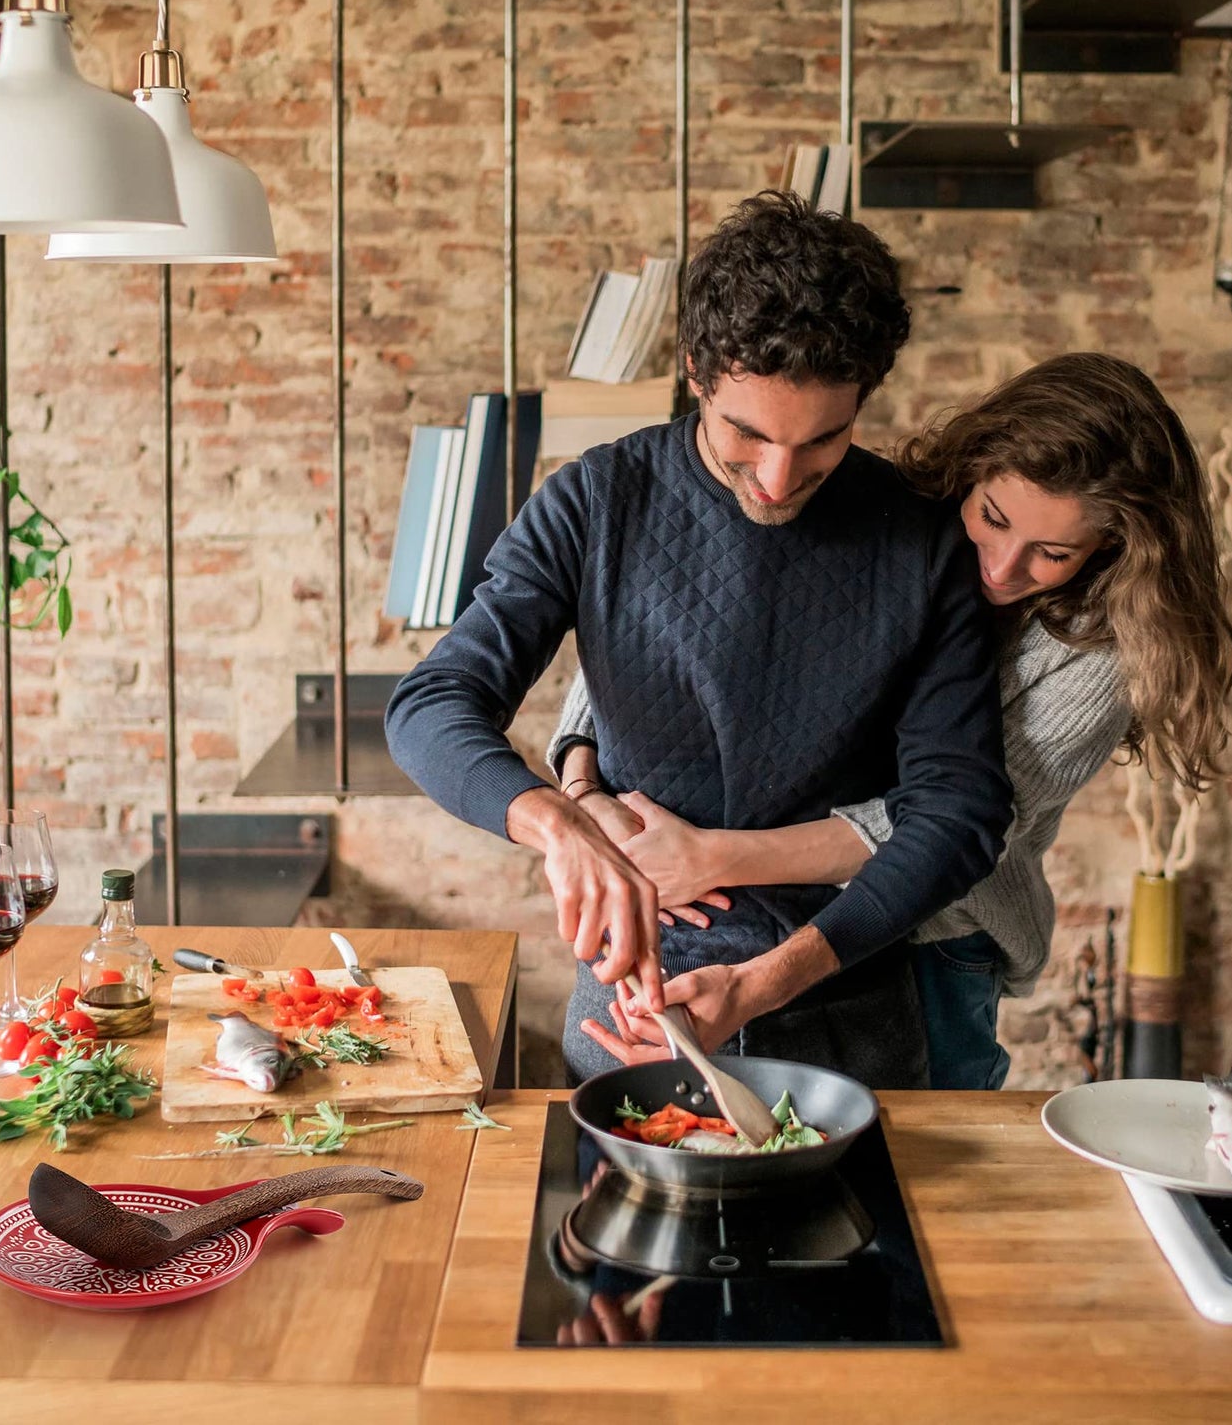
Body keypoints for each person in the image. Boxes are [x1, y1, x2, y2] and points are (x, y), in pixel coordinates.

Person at [385, 191, 1013, 1088]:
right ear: (695, 371)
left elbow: (958, 811)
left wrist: (764, 983)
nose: (777, 477)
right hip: (636, 1001)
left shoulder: (920, 539)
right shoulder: (596, 501)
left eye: (822, 440)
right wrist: (557, 821)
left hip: (849, 1001)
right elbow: (430, 704)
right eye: (745, 434)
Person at [552, 352, 1232, 1088]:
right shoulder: (887, 525)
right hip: (753, 904)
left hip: (935, 940)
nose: (1001, 566)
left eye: (1052, 552)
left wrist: (713, 856)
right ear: (970, 471)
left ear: (1110, 546)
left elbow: (947, 826)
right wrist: (581, 782)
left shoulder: (1100, 658)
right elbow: (659, 638)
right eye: (992, 517)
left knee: (915, 1172)